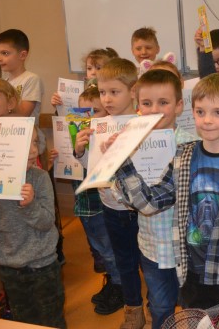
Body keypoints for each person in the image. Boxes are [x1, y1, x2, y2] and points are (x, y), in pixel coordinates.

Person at [113, 73, 219, 329]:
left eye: (218, 112)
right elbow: (150, 203)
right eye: (200, 112)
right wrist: (122, 163)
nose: (207, 120)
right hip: (192, 273)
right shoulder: (184, 155)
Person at [110, 69, 194, 329]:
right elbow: (121, 194)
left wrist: (122, 163)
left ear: (178, 106)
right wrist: (114, 159)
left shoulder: (191, 145)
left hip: (186, 248)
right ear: (138, 106)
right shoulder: (130, 144)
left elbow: (159, 200)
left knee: (192, 308)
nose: (154, 109)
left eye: (163, 102)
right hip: (151, 246)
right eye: (146, 103)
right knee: (159, 306)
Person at [0, 129, 66, 328]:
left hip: (43, 267)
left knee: (51, 320)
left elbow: (46, 222)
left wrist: (30, 205)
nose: (34, 150)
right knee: (23, 321)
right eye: (26, 144)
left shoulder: (39, 177)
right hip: (10, 269)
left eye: (35, 142)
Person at [74, 58, 145, 329]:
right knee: (124, 261)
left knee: (149, 262)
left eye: (114, 92)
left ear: (133, 91)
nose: (107, 99)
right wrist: (81, 151)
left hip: (142, 209)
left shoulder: (143, 123)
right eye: (103, 92)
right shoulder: (99, 124)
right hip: (111, 208)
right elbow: (94, 169)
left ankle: (155, 305)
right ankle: (133, 310)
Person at [52, 85, 124, 315]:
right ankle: (113, 280)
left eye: (95, 112)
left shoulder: (109, 141)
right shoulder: (78, 138)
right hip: (84, 206)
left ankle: (120, 287)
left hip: (101, 206)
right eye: (82, 113)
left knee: (109, 250)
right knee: (100, 249)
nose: (88, 119)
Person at [0, 29, 43, 122]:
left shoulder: (31, 79)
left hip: (26, 131)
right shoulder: (3, 83)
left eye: (5, 53)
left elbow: (23, 114)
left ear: (22, 55)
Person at [50, 47, 119, 110]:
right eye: (89, 68)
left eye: (98, 68)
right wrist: (59, 104)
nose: (93, 72)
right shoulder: (83, 91)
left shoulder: (114, 91)